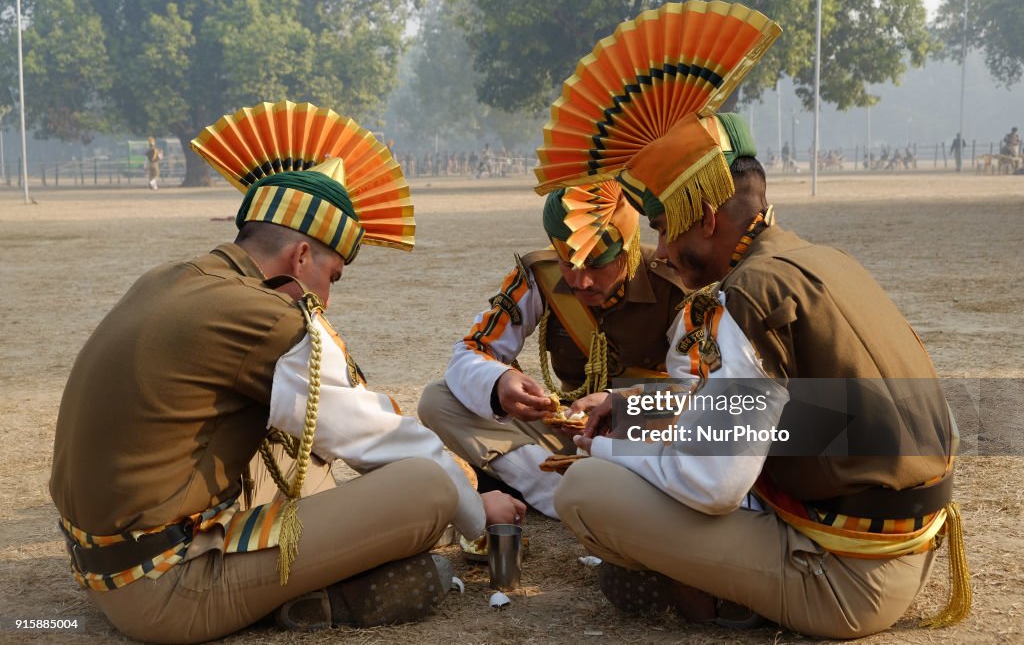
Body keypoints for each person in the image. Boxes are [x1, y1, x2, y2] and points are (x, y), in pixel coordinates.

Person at [50, 103, 524, 644]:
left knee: (294, 443)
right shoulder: (265, 318)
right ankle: (324, 599)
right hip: (166, 589)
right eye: (332, 276)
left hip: (99, 563)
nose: (326, 297)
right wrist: (476, 508)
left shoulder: (175, 276)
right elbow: (375, 434)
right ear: (301, 256)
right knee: (426, 486)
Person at [554, 110, 968, 638]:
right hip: (903, 552)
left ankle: (715, 598)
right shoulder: (819, 260)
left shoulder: (748, 295)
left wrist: (603, 451)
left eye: (663, 227)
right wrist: (631, 406)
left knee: (585, 490)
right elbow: (804, 419)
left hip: (842, 580)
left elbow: (711, 485)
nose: (660, 252)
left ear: (705, 217)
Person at [417, 180, 686, 519]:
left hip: (643, 435)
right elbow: (472, 350)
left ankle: (575, 490)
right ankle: (560, 491)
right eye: (567, 262)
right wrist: (499, 382)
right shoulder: (538, 277)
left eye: (595, 264)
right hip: (570, 435)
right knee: (437, 400)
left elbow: (706, 394)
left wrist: (623, 404)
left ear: (628, 246)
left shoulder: (677, 286)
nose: (579, 281)